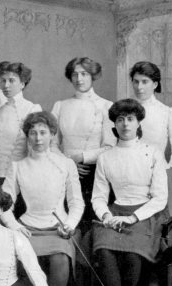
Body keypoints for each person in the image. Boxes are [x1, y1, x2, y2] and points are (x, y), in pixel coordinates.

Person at [91, 99, 168, 286]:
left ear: (138, 122)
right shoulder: (106, 157)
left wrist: (133, 217)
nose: (125, 124)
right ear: (114, 124)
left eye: (130, 119)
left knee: (133, 257)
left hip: (144, 215)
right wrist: (107, 216)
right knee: (104, 252)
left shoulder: (152, 153)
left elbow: (160, 198)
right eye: (120, 119)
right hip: (115, 215)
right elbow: (99, 197)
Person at [1, 111, 84, 286]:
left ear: (52, 134)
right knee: (18, 258)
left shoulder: (66, 164)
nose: (38, 138)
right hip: (28, 228)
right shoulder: (17, 167)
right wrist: (14, 226)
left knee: (60, 259)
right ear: (27, 136)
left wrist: (70, 225)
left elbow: (76, 203)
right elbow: (3, 205)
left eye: (43, 132)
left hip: (59, 229)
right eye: (33, 133)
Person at [130, 61, 172, 286]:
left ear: (155, 84)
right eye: (135, 81)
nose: (139, 86)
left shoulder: (167, 113)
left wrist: (165, 178)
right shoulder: (125, 111)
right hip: (132, 181)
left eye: (145, 82)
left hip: (161, 182)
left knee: (167, 237)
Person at [51, 57, 116, 234]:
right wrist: (68, 163)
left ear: (93, 76)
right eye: (75, 74)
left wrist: (81, 158)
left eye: (84, 74)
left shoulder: (105, 106)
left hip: (92, 173)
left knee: (89, 223)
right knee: (65, 220)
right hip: (63, 170)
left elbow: (110, 146)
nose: (79, 79)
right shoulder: (60, 106)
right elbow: (52, 144)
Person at [0, 61, 42, 182]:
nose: (6, 85)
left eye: (11, 80)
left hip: (22, 176)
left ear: (22, 83)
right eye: (3, 80)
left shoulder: (31, 109)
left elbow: (36, 149)